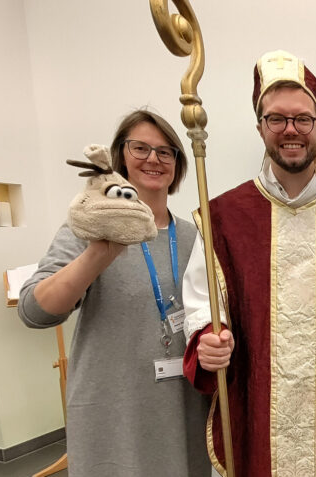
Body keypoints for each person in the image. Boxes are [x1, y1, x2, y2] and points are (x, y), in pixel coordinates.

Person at [181, 50, 316, 477]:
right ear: (260, 127)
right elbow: (201, 302)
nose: (291, 130)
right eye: (276, 119)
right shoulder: (221, 219)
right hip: (254, 414)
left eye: (303, 119)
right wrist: (209, 338)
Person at [18, 110, 211, 476]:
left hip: (181, 405)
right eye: (140, 148)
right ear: (119, 157)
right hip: (112, 407)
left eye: (165, 151)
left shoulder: (195, 237)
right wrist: (97, 254)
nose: (153, 159)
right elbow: (34, 310)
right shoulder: (87, 230)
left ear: (178, 164)